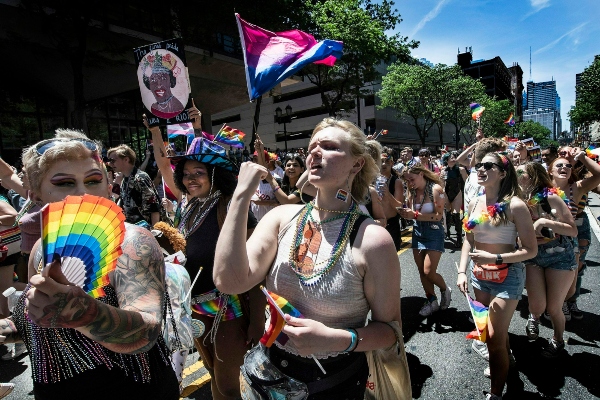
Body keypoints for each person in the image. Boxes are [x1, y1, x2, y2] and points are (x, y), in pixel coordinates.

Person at [213, 118, 407, 399]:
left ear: (357, 164)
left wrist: (337, 339)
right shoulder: (281, 219)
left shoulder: (373, 240)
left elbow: (390, 331)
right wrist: (240, 195)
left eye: (328, 147)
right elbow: (228, 281)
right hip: (268, 374)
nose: (314, 152)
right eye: (312, 146)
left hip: (334, 383)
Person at [0, 131, 179, 399]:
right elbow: (38, 321)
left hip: (130, 389)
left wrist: (87, 314)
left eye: (93, 180)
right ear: (36, 195)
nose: (83, 194)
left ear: (109, 188)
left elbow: (148, 330)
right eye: (65, 183)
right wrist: (8, 328)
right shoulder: (40, 248)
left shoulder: (131, 242)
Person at [145, 117, 265, 400]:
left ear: (214, 174)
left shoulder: (230, 205)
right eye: (186, 174)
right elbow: (164, 166)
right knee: (214, 374)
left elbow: (257, 267)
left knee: (228, 385)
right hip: (194, 309)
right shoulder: (188, 207)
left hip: (228, 308)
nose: (190, 179)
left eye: (199, 172)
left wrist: (258, 317)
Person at [457, 153, 537, 400]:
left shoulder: (515, 205)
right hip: (479, 276)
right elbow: (468, 242)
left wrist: (497, 259)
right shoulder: (474, 203)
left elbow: (530, 250)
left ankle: (496, 394)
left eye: (488, 166)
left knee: (492, 338)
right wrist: (461, 271)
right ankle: (505, 356)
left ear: (502, 173)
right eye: (478, 165)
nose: (480, 169)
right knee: (492, 334)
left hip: (507, 276)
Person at [516, 162, 577, 358]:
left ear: (532, 177)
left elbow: (572, 230)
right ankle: (533, 318)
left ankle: (558, 340)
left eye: (521, 172)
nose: (516, 174)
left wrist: (544, 222)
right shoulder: (517, 201)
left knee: (553, 308)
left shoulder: (551, 198)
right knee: (537, 306)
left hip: (559, 256)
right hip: (533, 256)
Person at [549, 151, 600, 321]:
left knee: (573, 274)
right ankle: (540, 311)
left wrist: (582, 157)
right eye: (560, 164)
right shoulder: (543, 187)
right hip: (546, 240)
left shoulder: (577, 188)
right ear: (550, 170)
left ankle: (566, 301)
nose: (565, 167)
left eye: (568, 166)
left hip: (570, 240)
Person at [398, 164, 451, 316]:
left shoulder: (436, 189)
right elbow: (410, 211)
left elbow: (439, 216)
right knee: (421, 271)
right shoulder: (412, 191)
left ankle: (445, 289)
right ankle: (431, 301)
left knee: (429, 271)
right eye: (407, 180)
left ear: (421, 174)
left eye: (412, 179)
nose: (410, 182)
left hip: (433, 232)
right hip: (418, 231)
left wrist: (414, 215)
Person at [106, 144, 166, 225]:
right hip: (135, 230)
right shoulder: (124, 181)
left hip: (147, 230)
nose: (110, 164)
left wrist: (155, 231)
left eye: (113, 160)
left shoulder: (140, 178)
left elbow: (154, 207)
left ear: (126, 159)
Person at [142, 52, 185, 119]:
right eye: (153, 80)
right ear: (149, 85)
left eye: (163, 78)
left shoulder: (178, 108)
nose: (158, 85)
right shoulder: (153, 108)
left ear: (170, 81)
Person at [441, 151, 468, 248]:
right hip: (447, 193)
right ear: (446, 160)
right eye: (450, 158)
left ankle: (459, 238)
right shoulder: (444, 170)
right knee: (448, 212)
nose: (452, 159)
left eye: (454, 157)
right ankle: (447, 231)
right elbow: (442, 185)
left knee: (456, 214)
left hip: (457, 193)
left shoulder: (461, 169)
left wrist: (466, 195)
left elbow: (467, 182)